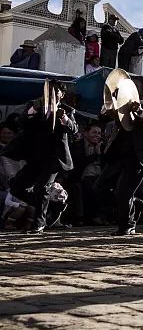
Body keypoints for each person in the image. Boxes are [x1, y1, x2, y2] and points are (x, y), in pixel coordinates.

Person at [9, 82, 77, 232]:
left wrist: (64, 118)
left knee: (42, 187)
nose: (51, 93)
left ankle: (39, 224)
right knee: (17, 187)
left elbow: (73, 129)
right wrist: (35, 109)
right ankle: (52, 206)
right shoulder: (34, 105)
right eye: (49, 89)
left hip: (54, 158)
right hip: (35, 156)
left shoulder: (67, 110)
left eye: (55, 90)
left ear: (62, 94)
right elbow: (21, 122)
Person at [96, 79, 143, 235]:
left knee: (123, 192)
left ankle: (126, 226)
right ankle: (135, 204)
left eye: (135, 86)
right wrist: (110, 104)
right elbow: (102, 117)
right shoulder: (122, 104)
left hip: (138, 155)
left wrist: (140, 112)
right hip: (119, 153)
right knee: (99, 186)